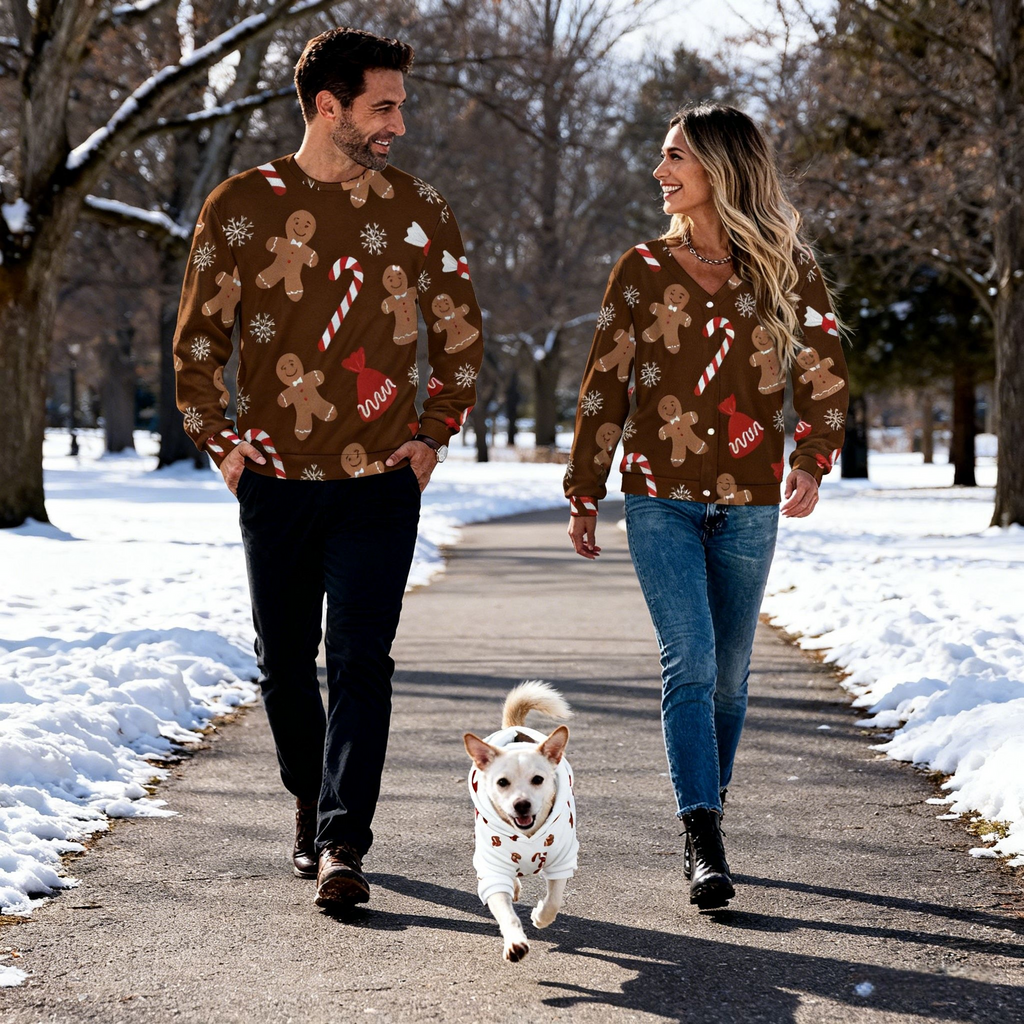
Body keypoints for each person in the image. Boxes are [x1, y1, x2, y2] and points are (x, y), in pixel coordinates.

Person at [173, 28, 482, 909]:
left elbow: (458, 332)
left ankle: (345, 840)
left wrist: (432, 435)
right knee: (283, 664)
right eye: (383, 107)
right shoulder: (243, 204)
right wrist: (221, 444)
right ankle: (310, 802)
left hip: (380, 482)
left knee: (359, 660)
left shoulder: (419, 209)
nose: (399, 124)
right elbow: (200, 340)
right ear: (328, 107)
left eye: (401, 106)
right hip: (273, 479)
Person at [564, 103, 848, 909]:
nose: (660, 172)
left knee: (729, 677)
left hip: (751, 500)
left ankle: (706, 811)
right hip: (659, 496)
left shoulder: (785, 266)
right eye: (662, 158)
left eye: (674, 159)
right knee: (688, 659)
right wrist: (586, 486)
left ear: (720, 169)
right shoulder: (641, 270)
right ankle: (703, 835)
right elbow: (605, 383)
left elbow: (823, 365)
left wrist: (814, 456)